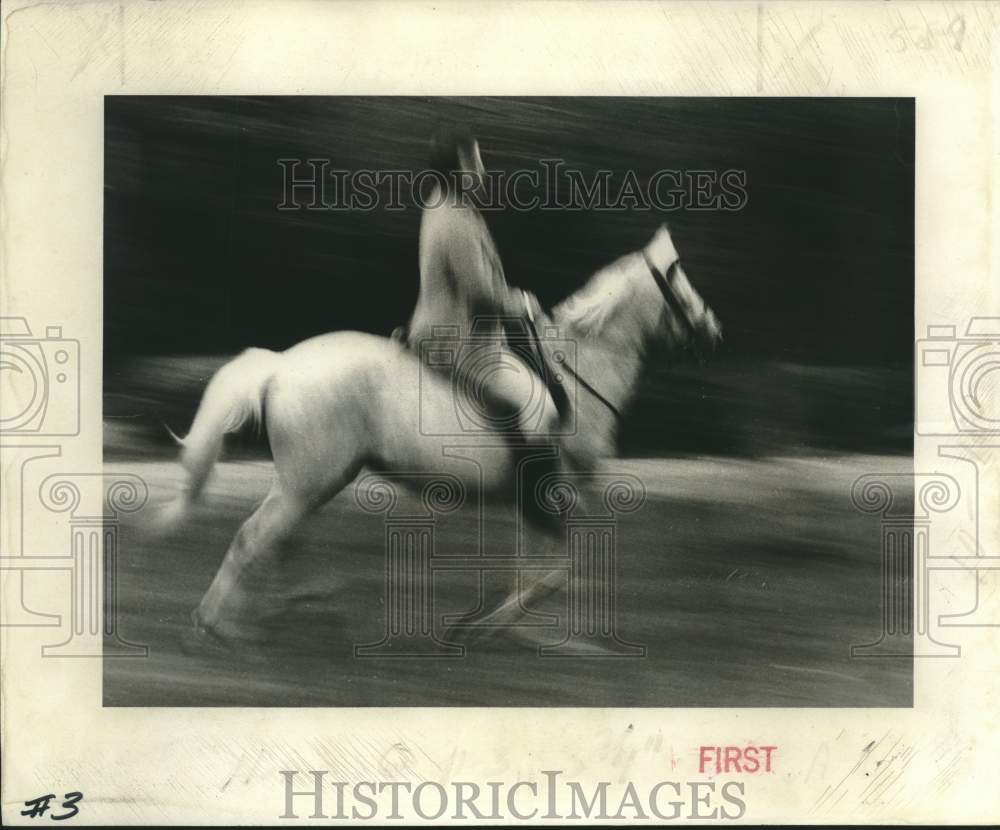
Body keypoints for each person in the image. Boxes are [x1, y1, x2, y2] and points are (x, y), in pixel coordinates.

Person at [404, 124, 566, 530]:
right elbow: (479, 292)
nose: (483, 168)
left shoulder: (452, 206)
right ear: (459, 165)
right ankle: (535, 504)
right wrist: (523, 302)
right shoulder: (454, 217)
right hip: (456, 342)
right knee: (540, 403)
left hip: (468, 336)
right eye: (477, 159)